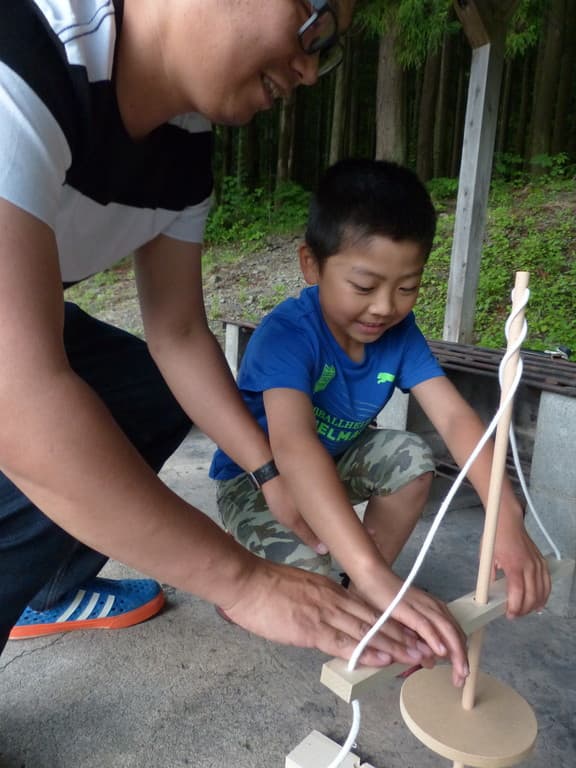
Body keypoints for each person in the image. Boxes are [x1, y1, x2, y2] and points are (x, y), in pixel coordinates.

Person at [0, 0, 452, 675]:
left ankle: (47, 587)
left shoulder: (185, 143)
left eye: (323, 45)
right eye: (309, 18)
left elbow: (178, 334)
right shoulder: (25, 57)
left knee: (146, 389)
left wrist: (267, 472)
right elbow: (19, 399)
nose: (306, 68)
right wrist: (245, 580)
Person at [210, 158, 552, 679]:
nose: (384, 308)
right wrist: (366, 571)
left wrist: (505, 514)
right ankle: (282, 579)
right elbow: (294, 446)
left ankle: (366, 592)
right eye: (364, 286)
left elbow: (456, 420)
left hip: (335, 466)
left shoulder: (400, 333)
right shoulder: (288, 334)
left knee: (412, 457)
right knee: (309, 584)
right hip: (261, 482)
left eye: (407, 287)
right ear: (311, 265)